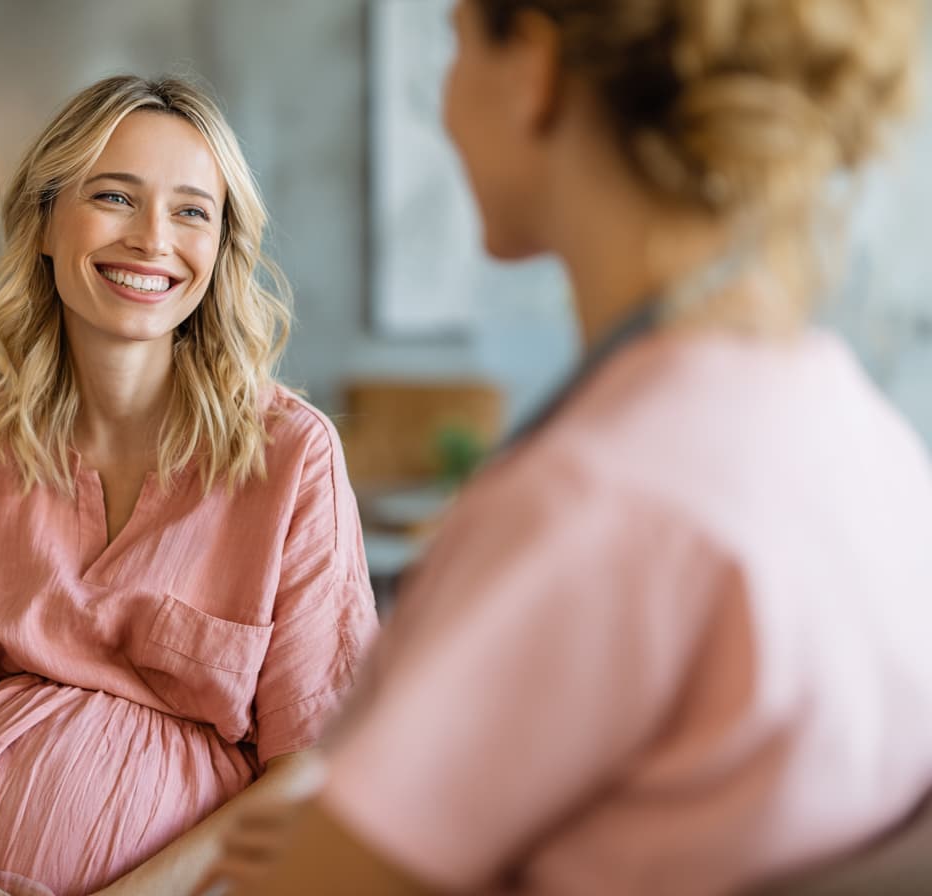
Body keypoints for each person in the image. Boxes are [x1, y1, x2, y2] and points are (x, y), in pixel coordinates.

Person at [207, 1, 932, 894]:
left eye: (459, 42)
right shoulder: (864, 435)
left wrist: (313, 843)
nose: (444, 97)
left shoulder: (591, 503)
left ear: (534, 69)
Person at [0, 74, 377, 896]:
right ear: (46, 222)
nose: (153, 239)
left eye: (192, 210)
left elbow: (311, 764)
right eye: (115, 197)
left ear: (221, 246)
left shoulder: (292, 455)